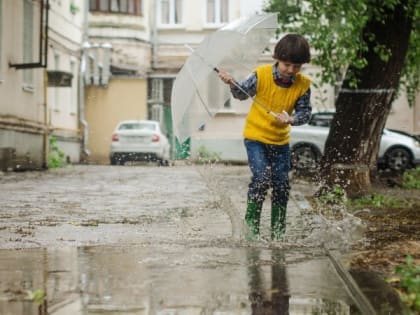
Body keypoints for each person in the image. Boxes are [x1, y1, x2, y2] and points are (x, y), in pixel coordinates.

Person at [218, 34, 312, 240]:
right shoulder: (260, 75)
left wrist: (292, 119)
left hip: (280, 141)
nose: (291, 70)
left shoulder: (303, 85)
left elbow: (305, 113)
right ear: (277, 59)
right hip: (256, 138)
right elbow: (241, 94)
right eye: (287, 65)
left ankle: (278, 234)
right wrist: (232, 83)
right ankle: (251, 233)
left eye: (297, 66)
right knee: (261, 179)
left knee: (281, 184)